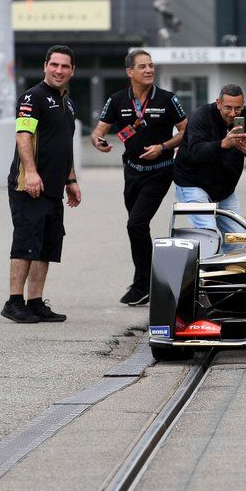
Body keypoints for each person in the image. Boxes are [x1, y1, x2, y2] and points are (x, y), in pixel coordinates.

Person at [90, 48, 187, 305]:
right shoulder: (117, 100)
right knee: (137, 227)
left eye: (151, 66)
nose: (149, 70)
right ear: (129, 72)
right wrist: (98, 141)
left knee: (135, 224)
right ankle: (144, 281)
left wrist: (164, 147)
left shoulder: (167, 99)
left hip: (160, 172)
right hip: (132, 173)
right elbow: (98, 131)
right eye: (142, 66)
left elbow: (185, 132)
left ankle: (143, 284)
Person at [1, 45, 81, 324]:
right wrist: (32, 172)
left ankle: (35, 302)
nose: (59, 70)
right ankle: (14, 302)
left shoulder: (67, 102)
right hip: (28, 184)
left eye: (65, 66)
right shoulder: (31, 97)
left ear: (72, 70)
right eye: (54, 65)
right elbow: (23, 136)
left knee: (47, 245)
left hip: (54, 187)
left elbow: (64, 145)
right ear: (45, 65)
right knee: (26, 242)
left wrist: (70, 180)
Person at [173, 84, 246, 238]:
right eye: (228, 107)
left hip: (225, 188)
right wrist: (222, 144)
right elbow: (195, 153)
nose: (233, 113)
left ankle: (227, 262)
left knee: (237, 239)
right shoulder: (200, 116)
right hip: (192, 182)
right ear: (218, 103)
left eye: (238, 108)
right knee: (210, 234)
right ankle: (207, 261)